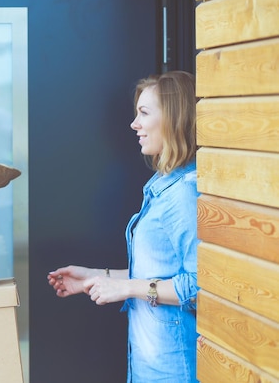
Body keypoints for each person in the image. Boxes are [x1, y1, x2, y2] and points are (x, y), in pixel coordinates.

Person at [47, 71, 199, 382]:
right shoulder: (163, 185)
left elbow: (199, 285)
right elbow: (159, 273)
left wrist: (125, 288)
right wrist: (94, 276)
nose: (134, 124)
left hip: (173, 370)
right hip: (147, 364)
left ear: (173, 118)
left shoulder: (184, 195)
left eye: (144, 113)